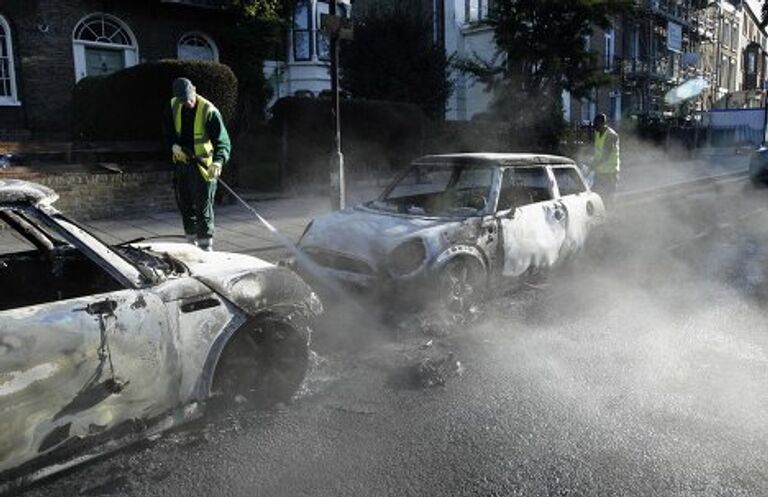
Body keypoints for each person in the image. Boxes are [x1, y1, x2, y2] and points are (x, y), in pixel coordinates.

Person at [163, 77, 231, 251]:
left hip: (204, 167)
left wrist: (218, 162)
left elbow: (223, 142)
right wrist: (173, 145)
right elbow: (168, 131)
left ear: (194, 89)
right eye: (184, 101)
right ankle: (191, 243)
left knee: (203, 208)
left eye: (190, 99)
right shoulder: (173, 105)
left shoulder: (209, 111)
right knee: (185, 205)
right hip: (183, 164)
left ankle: (206, 246)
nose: (188, 103)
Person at [591, 113, 620, 203]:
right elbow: (598, 151)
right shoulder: (598, 133)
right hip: (599, 171)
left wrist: (594, 164)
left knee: (608, 196)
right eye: (594, 124)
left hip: (609, 173)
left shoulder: (611, 135)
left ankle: (610, 215)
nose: (594, 127)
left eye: (596, 125)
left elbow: (606, 155)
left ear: (603, 124)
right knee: (596, 196)